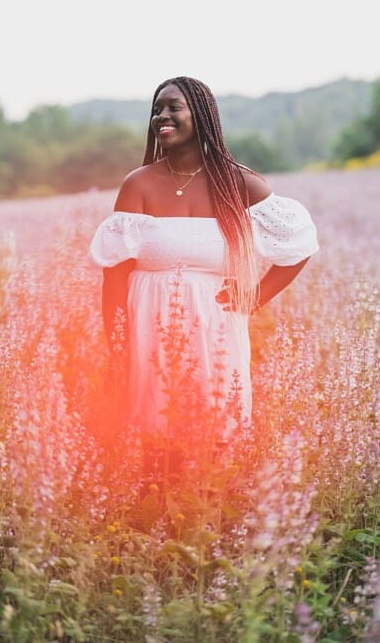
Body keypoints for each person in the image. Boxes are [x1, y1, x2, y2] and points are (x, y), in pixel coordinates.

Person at [88, 76, 317, 479]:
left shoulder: (239, 183)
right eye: (157, 109)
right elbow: (114, 278)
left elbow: (299, 243)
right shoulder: (138, 184)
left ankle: (210, 529)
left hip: (216, 330)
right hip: (149, 329)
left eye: (174, 107)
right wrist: (118, 345)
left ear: (203, 114)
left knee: (216, 440)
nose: (162, 116)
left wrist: (255, 296)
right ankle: (156, 527)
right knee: (155, 445)